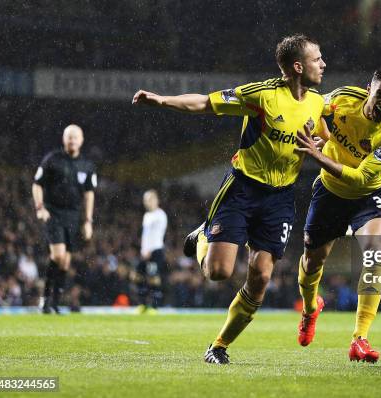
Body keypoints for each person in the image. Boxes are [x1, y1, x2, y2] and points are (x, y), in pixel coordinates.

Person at [132, 34, 326, 364]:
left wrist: (321, 145)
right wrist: (161, 101)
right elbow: (206, 103)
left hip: (279, 199)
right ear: (297, 66)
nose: (323, 64)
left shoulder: (317, 101)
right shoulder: (262, 96)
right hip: (241, 190)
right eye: (317, 59)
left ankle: (219, 346)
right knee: (218, 272)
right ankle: (204, 235)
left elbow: (323, 133)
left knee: (261, 276)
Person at [294, 64, 381, 362]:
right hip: (329, 192)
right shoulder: (346, 96)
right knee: (312, 259)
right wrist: (323, 133)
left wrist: (317, 153)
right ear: (369, 88)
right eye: (380, 94)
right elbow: (314, 105)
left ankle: (360, 338)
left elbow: (358, 177)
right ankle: (309, 309)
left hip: (368, 194)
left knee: (374, 254)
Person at [32, 124, 97, 314]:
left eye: (75, 136)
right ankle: (45, 298)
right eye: (69, 136)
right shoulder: (52, 159)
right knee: (58, 255)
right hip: (54, 213)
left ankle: (54, 302)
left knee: (66, 263)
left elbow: (89, 194)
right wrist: (40, 208)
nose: (72, 140)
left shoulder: (87, 165)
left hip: (74, 217)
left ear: (82, 140)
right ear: (63, 139)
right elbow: (37, 184)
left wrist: (88, 221)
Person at [136, 190, 168, 314]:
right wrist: (143, 249)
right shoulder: (147, 215)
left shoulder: (160, 215)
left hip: (155, 250)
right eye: (145, 200)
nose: (147, 202)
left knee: (153, 278)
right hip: (145, 251)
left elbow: (156, 234)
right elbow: (145, 235)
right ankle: (143, 304)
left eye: (149, 199)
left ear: (156, 200)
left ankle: (154, 307)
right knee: (139, 276)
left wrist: (149, 250)